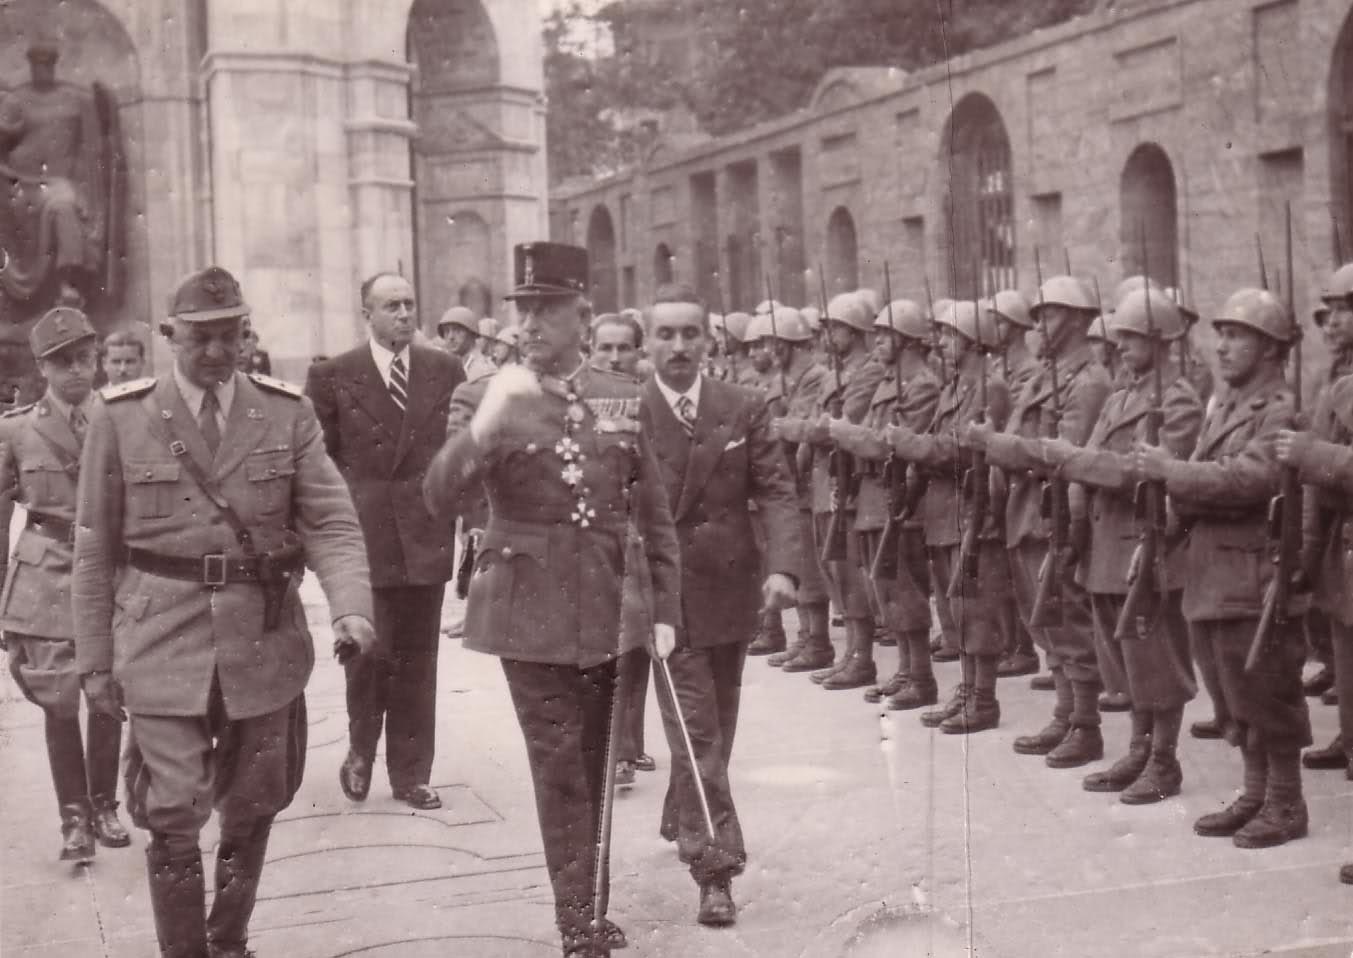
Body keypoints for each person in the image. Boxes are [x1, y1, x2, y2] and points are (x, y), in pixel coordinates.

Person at [71, 265, 377, 958]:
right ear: (170, 337)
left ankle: (228, 938)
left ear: (247, 336)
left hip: (262, 639)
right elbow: (92, 549)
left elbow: (330, 521)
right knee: (172, 812)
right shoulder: (120, 418)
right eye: (199, 338)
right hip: (159, 639)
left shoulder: (285, 412)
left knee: (253, 803)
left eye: (228, 337)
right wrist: (94, 659)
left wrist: (350, 608)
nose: (214, 352)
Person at [423, 241, 680, 958]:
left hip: (607, 600)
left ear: (581, 314)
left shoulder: (618, 392)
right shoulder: (487, 395)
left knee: (597, 761)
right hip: (525, 603)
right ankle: (576, 923)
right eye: (523, 309)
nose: (531, 324)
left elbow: (649, 507)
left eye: (548, 309)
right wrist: (485, 425)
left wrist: (664, 608)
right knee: (559, 760)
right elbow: (438, 495)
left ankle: (588, 904)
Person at [640, 282, 799, 926]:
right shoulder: (622, 412)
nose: (678, 347)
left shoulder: (744, 405)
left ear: (709, 341)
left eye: (690, 334)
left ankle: (686, 815)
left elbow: (779, 490)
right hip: (662, 600)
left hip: (731, 591)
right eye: (666, 334)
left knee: (716, 731)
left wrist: (785, 566)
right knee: (697, 732)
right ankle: (715, 869)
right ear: (649, 341)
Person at [1133, 287, 1310, 849]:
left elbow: (1248, 481)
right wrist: (1163, 530)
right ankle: (1256, 792)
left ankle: (1285, 800)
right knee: (1230, 690)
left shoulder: (1278, 409)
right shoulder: (1229, 407)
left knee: (1264, 686)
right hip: (1213, 572)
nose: (1223, 346)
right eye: (1222, 334)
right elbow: (1204, 486)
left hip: (1252, 571)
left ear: (1269, 348)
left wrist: (1174, 473)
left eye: (1237, 336)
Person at [306, 273, 464, 810]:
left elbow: (460, 448)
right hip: (364, 535)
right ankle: (359, 749)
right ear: (366, 314)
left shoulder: (444, 369)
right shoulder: (332, 376)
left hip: (424, 532)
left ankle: (411, 773)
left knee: (419, 659)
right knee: (368, 653)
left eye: (409, 303)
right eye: (390, 305)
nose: (403, 313)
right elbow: (317, 463)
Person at [1039, 288, 1204, 802]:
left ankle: (1163, 758)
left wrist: (1072, 460)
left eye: (1133, 337)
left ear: (1161, 340)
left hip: (1146, 543)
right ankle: (1137, 746)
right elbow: (1091, 462)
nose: (1123, 345)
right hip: (1105, 543)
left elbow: (1136, 472)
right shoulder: (1118, 398)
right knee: (1122, 658)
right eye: (1122, 336)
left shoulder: (1177, 400)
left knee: (1156, 654)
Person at [0, 306, 130, 863]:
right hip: (46, 570)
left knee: (107, 692)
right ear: (42, 369)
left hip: (109, 572)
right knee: (58, 701)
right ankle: (72, 817)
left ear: (97, 360)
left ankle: (105, 804)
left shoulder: (123, 418)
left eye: (84, 358)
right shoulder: (15, 430)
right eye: (61, 363)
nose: (75, 371)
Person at [968, 274, 1113, 769]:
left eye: (1049, 316)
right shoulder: (1042, 375)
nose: (1039, 327)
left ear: (1075, 320)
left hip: (1055, 513)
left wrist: (1005, 448)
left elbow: (1071, 454)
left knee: (1068, 619)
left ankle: (1085, 723)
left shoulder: (1090, 380)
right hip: (1024, 509)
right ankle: (1065, 712)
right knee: (1044, 619)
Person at [882, 300, 1012, 723]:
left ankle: (985, 698)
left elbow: (958, 447)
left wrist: (909, 443)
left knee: (977, 610)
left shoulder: (989, 387)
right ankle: (968, 689)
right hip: (944, 512)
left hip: (973, 511)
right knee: (956, 608)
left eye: (951, 336)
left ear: (974, 342)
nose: (942, 342)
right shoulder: (954, 387)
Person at [830, 298, 943, 712]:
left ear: (906, 340)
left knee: (906, 591)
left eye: (885, 335)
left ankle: (922, 677)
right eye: (876, 335)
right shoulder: (889, 382)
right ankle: (905, 670)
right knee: (886, 591)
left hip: (901, 499)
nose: (877, 343)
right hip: (875, 497)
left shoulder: (923, 384)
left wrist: (844, 434)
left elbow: (890, 443)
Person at [778, 293, 886, 682]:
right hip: (825, 478)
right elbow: (814, 422)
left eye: (837, 328)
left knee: (849, 571)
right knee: (833, 569)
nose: (830, 336)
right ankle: (853, 653)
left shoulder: (869, 372)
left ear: (856, 331)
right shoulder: (837, 372)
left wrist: (794, 428)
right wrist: (806, 427)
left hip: (847, 480)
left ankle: (862, 656)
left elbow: (831, 425)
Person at [588, 308, 651, 785]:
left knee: (636, 645)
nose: (613, 357)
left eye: (623, 348)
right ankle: (613, 747)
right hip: (589, 539)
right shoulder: (576, 401)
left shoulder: (650, 402)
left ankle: (628, 745)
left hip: (644, 536)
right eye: (604, 347)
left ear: (637, 352)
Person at [985, 290, 1042, 680]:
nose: (996, 328)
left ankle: (1022, 645)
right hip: (999, 472)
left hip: (1017, 473)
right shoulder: (1000, 368)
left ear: (1020, 327)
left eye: (1002, 321)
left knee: (1018, 568)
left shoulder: (1028, 370)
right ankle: (1012, 641)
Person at [438, 306, 496, 382]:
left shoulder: (484, 370)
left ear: (472, 333)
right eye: (446, 331)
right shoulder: (454, 366)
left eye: (457, 330)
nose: (450, 337)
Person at [591, 312, 645, 378]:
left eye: (623, 349)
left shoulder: (651, 387)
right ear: (592, 352)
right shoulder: (578, 387)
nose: (615, 359)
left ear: (638, 354)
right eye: (605, 349)